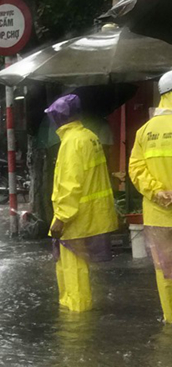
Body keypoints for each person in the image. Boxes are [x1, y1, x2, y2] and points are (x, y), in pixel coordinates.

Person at [47, 94, 118, 312]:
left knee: (73, 272)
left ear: (61, 117)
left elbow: (71, 183)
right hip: (89, 214)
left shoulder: (72, 142)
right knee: (77, 269)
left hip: (75, 219)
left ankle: (77, 323)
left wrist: (61, 217)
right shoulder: (89, 136)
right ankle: (77, 315)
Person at [129, 70, 172, 323]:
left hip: (158, 214)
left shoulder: (145, 131)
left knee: (165, 270)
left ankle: (169, 319)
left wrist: (158, 192)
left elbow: (135, 169)